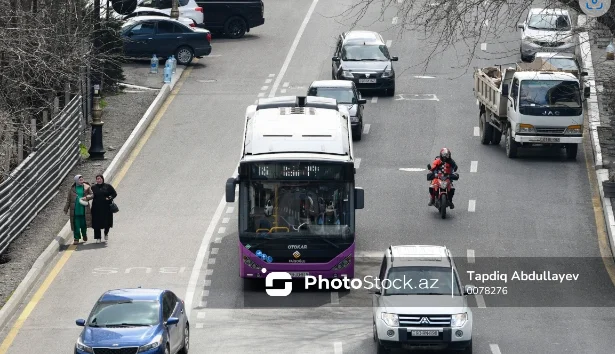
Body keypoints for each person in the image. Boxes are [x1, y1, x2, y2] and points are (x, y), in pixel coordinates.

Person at [63, 175, 93, 245]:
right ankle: (76, 238)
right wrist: (66, 209)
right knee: (76, 225)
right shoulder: (72, 189)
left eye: (82, 179)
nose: (81, 181)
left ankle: (84, 234)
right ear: (76, 180)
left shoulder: (86, 187)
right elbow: (68, 200)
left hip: (84, 210)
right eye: (80, 180)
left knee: (83, 225)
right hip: (75, 211)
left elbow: (92, 195)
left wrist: (86, 197)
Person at [91, 174, 117, 242]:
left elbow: (114, 193)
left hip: (106, 208)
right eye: (97, 179)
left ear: (102, 179)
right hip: (96, 208)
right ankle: (98, 238)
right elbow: (89, 194)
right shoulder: (93, 187)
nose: (99, 180)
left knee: (107, 222)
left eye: (100, 179)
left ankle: (106, 233)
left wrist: (109, 197)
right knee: (96, 223)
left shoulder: (108, 186)